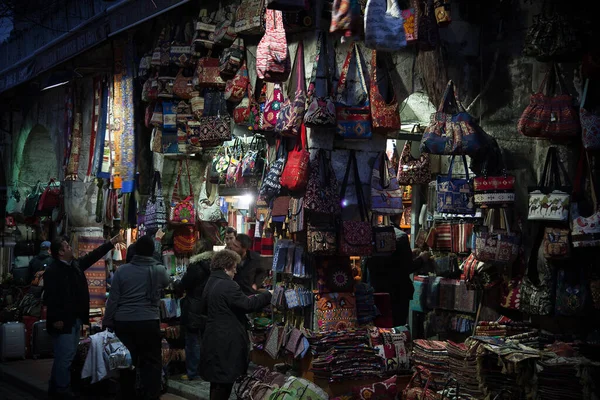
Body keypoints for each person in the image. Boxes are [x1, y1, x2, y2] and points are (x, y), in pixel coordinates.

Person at [44, 232, 124, 399]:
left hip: (74, 319)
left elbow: (93, 256)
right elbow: (51, 297)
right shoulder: (53, 270)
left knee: (65, 356)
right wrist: (56, 319)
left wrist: (111, 243)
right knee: (65, 357)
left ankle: (55, 388)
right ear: (60, 252)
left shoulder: (74, 265)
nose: (70, 248)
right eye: (66, 246)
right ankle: (62, 391)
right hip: (63, 321)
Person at [102, 235, 170, 400]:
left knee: (127, 362)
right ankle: (151, 395)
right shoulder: (159, 270)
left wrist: (107, 321)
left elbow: (113, 300)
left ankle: (128, 395)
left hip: (124, 323)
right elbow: (167, 283)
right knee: (152, 363)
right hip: (149, 322)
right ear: (152, 251)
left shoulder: (122, 271)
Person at [199, 250, 272, 400]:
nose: (236, 271)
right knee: (223, 385)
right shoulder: (228, 285)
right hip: (226, 342)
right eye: (234, 268)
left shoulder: (211, 282)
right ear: (226, 267)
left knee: (218, 384)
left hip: (214, 338)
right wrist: (268, 294)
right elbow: (247, 304)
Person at [365, 228, 431, 326]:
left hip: (377, 291)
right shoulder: (401, 237)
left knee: (380, 324)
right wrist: (422, 259)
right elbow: (406, 267)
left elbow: (390, 263)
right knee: (397, 325)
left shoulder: (374, 235)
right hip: (398, 294)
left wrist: (410, 255)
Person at [179, 239, 214, 381]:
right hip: (208, 306)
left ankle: (192, 372)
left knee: (192, 341)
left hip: (193, 306)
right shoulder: (214, 266)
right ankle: (206, 370)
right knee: (207, 340)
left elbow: (184, 284)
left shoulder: (195, 266)